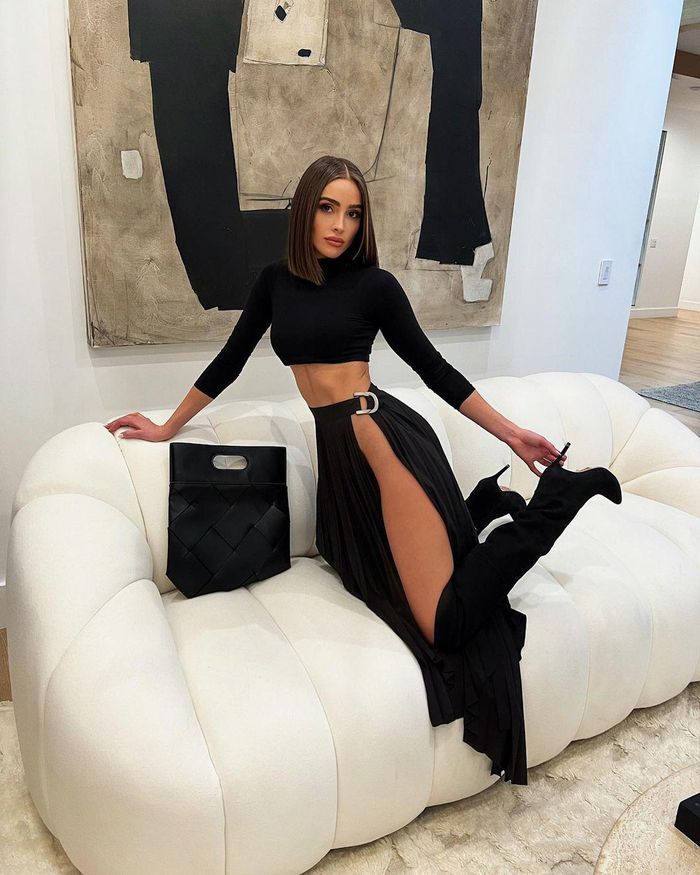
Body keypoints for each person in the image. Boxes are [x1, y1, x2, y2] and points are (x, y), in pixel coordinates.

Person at [104, 155, 622, 785]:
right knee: (364, 575)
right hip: (340, 460)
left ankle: (557, 502)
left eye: (353, 213)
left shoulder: (374, 287)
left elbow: (435, 369)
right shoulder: (273, 283)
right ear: (305, 210)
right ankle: (479, 510)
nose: (340, 225)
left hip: (381, 438)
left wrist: (513, 434)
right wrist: (167, 426)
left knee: (441, 626)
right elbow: (228, 362)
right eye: (328, 208)